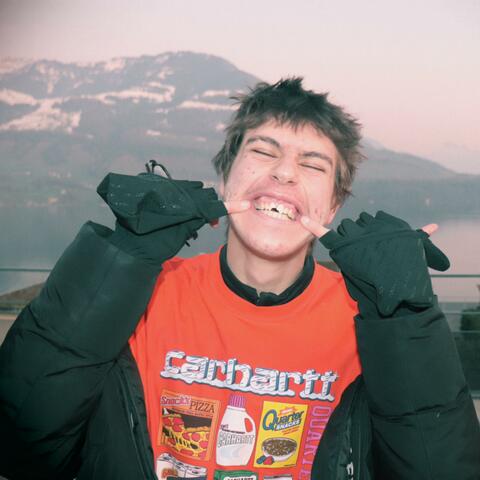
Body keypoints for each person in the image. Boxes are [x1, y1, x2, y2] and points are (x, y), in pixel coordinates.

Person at [0, 78, 479, 480]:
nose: (285, 172)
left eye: (313, 164)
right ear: (225, 178)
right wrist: (118, 260)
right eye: (263, 151)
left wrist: (406, 321)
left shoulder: (372, 325)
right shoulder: (138, 296)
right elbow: (20, 446)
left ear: (333, 206)